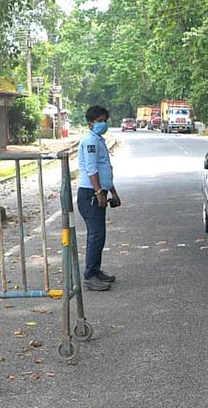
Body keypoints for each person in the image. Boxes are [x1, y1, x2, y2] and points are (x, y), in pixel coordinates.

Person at [77, 105, 121, 292]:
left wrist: (113, 191)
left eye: (105, 120)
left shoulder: (98, 140)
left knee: (99, 235)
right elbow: (91, 168)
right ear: (90, 123)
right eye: (99, 121)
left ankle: (95, 270)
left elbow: (105, 169)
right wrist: (98, 192)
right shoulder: (90, 142)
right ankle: (90, 276)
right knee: (96, 236)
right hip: (90, 194)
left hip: (98, 191)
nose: (103, 124)